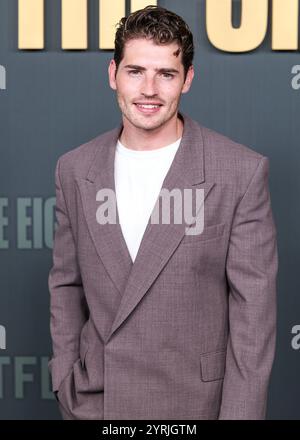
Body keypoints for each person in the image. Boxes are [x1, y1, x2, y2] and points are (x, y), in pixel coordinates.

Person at [48, 5, 278, 420]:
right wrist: (66, 379)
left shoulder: (239, 172)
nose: (149, 89)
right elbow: (66, 285)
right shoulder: (75, 168)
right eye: (136, 71)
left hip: (193, 408)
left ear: (187, 80)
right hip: (99, 405)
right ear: (113, 73)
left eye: (166, 74)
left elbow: (253, 324)